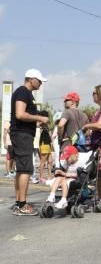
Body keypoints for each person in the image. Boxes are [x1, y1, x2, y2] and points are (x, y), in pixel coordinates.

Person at [10, 69, 49, 215]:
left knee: (21, 170)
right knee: (26, 169)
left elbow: (23, 117)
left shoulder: (26, 94)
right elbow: (20, 114)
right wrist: (39, 118)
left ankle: (19, 203)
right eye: (39, 81)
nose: (40, 84)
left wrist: (36, 123)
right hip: (22, 136)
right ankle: (22, 205)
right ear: (31, 79)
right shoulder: (23, 92)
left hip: (23, 134)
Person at [46, 144, 79, 209]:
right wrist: (58, 171)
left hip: (75, 179)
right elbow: (64, 172)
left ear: (75, 155)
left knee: (64, 181)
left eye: (68, 157)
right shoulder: (67, 163)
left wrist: (66, 174)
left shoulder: (79, 163)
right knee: (58, 178)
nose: (66, 159)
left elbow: (79, 175)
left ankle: (64, 200)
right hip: (67, 178)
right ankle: (52, 195)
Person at [37, 110, 53, 181]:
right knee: (43, 161)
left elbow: (50, 133)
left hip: (48, 143)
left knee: (50, 161)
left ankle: (49, 176)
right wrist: (42, 119)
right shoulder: (40, 123)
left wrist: (51, 142)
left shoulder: (46, 125)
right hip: (44, 144)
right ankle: (41, 177)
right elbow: (38, 124)